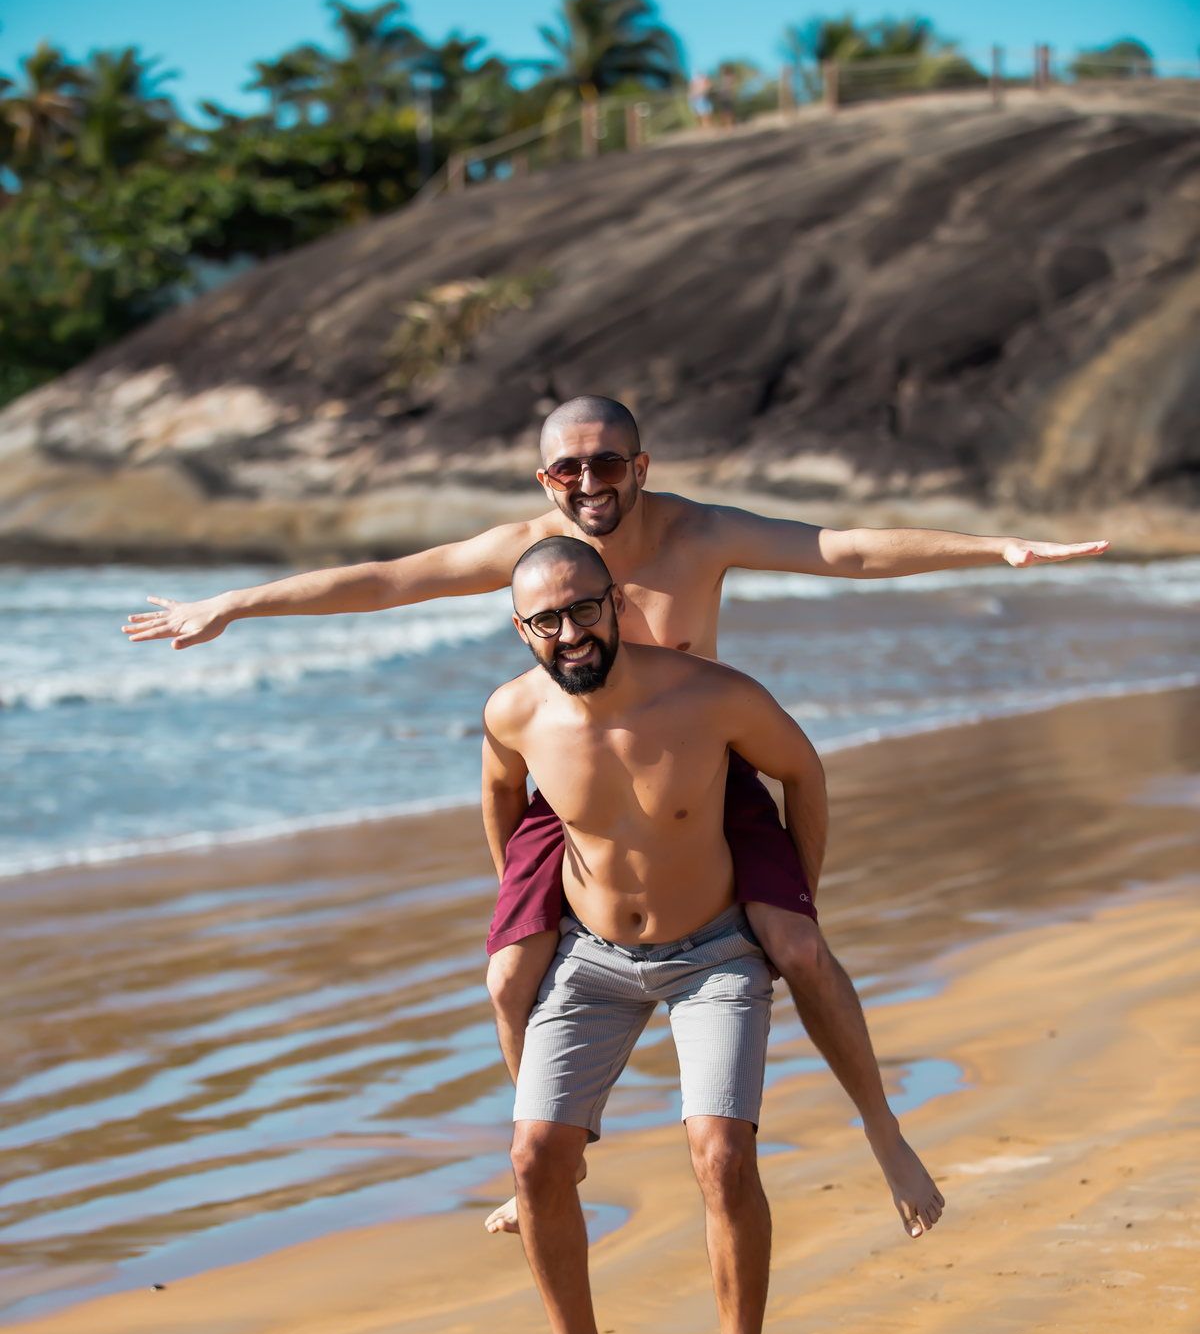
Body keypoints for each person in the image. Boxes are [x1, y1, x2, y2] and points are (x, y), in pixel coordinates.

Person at [123, 396, 1107, 1231]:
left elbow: (842, 548)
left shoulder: (701, 534)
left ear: (639, 466)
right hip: (573, 788)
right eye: (566, 469)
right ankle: (548, 1154)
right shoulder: (526, 551)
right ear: (543, 480)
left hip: (709, 779)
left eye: (605, 463)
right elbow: (389, 581)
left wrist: (995, 547)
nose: (586, 482)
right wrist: (238, 603)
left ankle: (886, 1134)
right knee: (510, 970)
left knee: (798, 949)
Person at [477, 533, 942, 1334]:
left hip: (715, 953)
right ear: (520, 626)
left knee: (722, 1158)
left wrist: (794, 889)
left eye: (584, 608)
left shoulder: (713, 696)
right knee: (535, 1158)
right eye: (546, 619)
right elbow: (504, 799)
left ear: (615, 602)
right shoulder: (513, 712)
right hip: (593, 958)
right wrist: (526, 900)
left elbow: (800, 770)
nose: (569, 632)